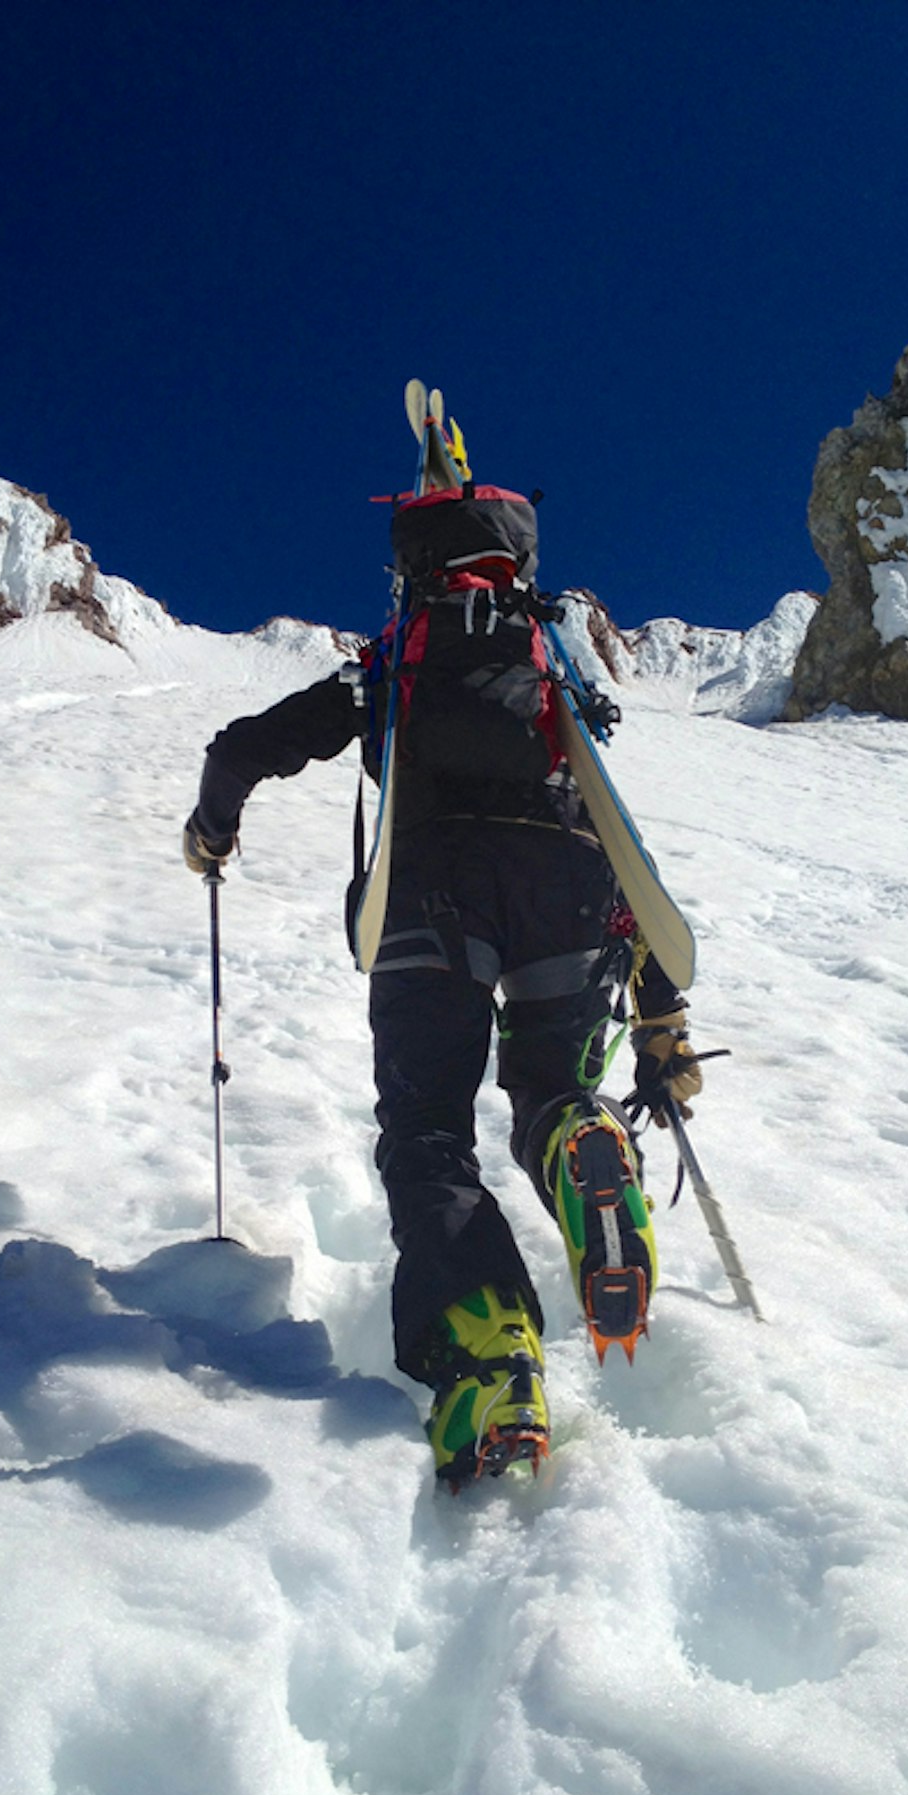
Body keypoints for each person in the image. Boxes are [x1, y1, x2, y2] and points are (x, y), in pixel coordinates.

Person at [184, 482, 703, 1488]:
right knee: (551, 1085)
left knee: (428, 1131)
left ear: (407, 569)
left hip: (432, 891)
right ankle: (577, 1136)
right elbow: (617, 836)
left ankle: (489, 1357)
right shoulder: (548, 668)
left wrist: (212, 830)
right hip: (567, 880)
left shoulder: (389, 667)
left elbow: (238, 749)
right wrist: (660, 1016)